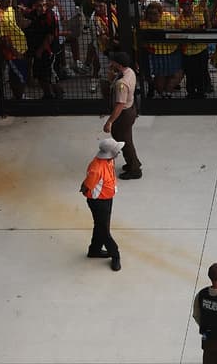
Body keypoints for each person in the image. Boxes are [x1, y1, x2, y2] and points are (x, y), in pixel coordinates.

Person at [81, 137, 123, 271]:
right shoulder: (96, 169)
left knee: (100, 226)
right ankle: (115, 254)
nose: (118, 153)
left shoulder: (109, 160)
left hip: (106, 199)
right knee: (104, 230)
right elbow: (86, 187)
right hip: (99, 202)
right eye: (116, 150)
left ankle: (95, 250)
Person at [103, 51, 142, 179]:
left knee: (124, 141)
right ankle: (133, 163)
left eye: (113, 62)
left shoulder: (121, 84)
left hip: (124, 114)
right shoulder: (129, 72)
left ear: (119, 64)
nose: (111, 63)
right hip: (131, 110)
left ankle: (134, 169)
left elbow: (120, 104)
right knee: (126, 139)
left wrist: (110, 121)